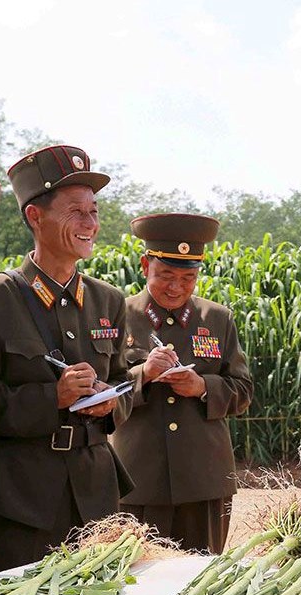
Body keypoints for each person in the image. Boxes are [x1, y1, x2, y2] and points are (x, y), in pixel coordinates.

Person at [0, 145, 134, 576]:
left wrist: (112, 401)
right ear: (35, 216)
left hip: (96, 497)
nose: (90, 223)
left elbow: (126, 382)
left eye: (93, 211)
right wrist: (52, 396)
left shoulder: (109, 300)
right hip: (20, 500)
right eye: (76, 211)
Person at [115, 213, 254, 553]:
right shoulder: (117, 314)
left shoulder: (217, 318)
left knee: (201, 580)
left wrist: (203, 387)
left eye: (187, 277)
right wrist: (142, 375)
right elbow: (100, 390)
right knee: (137, 580)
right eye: (165, 275)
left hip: (203, 480)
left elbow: (243, 389)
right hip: (137, 480)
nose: (176, 287)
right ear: (145, 264)